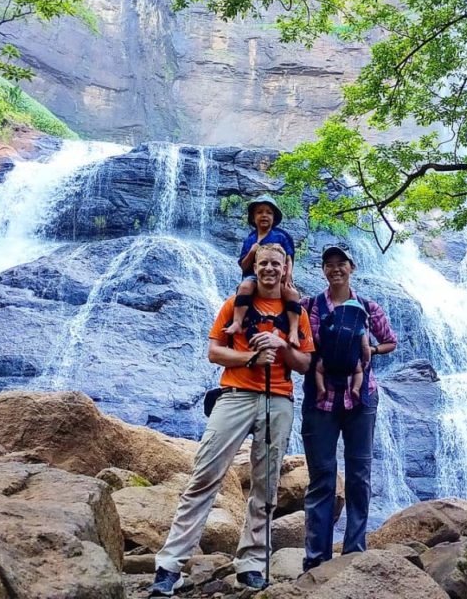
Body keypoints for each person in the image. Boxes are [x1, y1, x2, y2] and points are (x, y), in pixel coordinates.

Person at [151, 243, 314, 596]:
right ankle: (170, 565)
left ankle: (251, 564)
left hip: (279, 399)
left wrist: (281, 345)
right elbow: (214, 352)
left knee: (266, 485)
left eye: (276, 264)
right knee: (205, 475)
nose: (270, 269)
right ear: (254, 266)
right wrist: (252, 357)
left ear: (286, 268)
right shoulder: (234, 303)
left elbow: (304, 364)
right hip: (235, 395)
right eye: (264, 263)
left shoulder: (295, 312)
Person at [301, 244, 398, 572]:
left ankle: (354, 552)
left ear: (352, 267)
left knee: (359, 476)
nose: (335, 269)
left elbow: (390, 341)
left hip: (360, 400)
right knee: (322, 479)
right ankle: (316, 561)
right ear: (323, 270)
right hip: (320, 401)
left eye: (341, 263)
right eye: (329, 264)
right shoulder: (309, 306)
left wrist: (372, 347)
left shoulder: (369, 308)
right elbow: (285, 320)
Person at [223, 196, 303, 347]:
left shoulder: (281, 236)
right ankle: (237, 322)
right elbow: (244, 265)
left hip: (277, 276)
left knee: (292, 294)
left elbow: (289, 258)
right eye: (259, 212)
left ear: (274, 218)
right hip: (255, 276)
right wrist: (252, 252)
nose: (264, 215)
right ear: (253, 217)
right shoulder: (250, 239)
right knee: (245, 287)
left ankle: (293, 331)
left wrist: (288, 276)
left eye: (269, 212)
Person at [313, 298, 372, 406]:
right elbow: (365, 347)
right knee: (359, 372)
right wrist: (365, 361)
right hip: (351, 361)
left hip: (330, 358)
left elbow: (321, 337)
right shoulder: (360, 329)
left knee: (318, 370)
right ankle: (356, 388)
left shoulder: (334, 323)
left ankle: (321, 389)